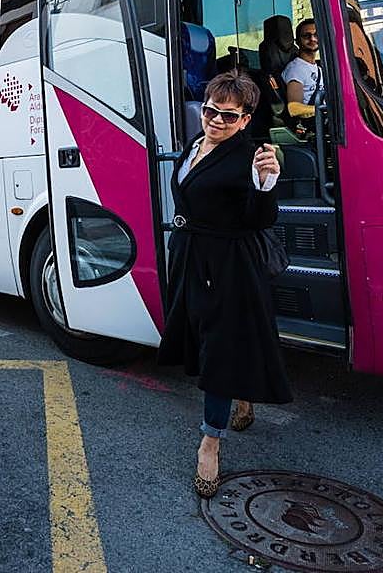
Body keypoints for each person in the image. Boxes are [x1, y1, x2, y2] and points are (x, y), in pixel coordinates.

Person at [156, 70, 291, 499]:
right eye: (210, 110)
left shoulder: (249, 157)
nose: (215, 120)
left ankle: (209, 444)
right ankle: (243, 397)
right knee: (208, 340)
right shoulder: (191, 149)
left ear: (246, 119)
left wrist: (267, 185)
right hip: (192, 257)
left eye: (228, 116)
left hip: (230, 264)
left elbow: (259, 218)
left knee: (219, 350)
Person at [282, 19, 323, 119]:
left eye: (316, 35)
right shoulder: (296, 69)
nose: (312, 39)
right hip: (313, 125)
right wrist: (325, 109)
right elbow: (294, 109)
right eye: (306, 36)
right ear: (297, 41)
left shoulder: (317, 68)